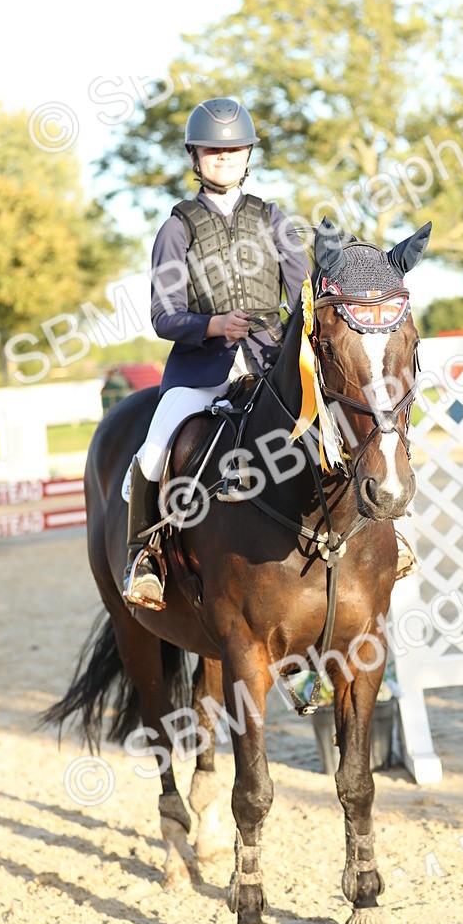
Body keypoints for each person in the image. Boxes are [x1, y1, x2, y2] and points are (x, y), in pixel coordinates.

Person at [123, 98, 309, 609]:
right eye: (213, 150)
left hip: (271, 366)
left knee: (335, 431)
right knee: (156, 447)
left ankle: (380, 536)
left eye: (233, 150)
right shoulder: (176, 228)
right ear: (195, 158)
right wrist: (213, 325)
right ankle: (145, 559)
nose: (223, 157)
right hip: (202, 372)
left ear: (248, 155)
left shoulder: (275, 221)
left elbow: (302, 300)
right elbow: (164, 316)